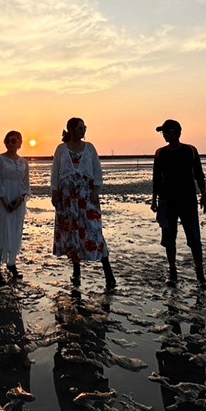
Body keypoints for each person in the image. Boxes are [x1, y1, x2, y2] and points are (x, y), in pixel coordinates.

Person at [51, 117, 116, 290]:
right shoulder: (61, 149)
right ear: (71, 129)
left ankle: (108, 273)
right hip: (67, 198)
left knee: (94, 232)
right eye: (80, 127)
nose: (83, 130)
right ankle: (76, 272)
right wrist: (54, 192)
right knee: (72, 232)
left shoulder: (90, 148)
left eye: (84, 127)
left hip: (87, 197)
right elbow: (55, 171)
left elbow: (97, 170)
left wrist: (96, 190)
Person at [151, 119, 206, 289]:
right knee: (169, 239)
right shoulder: (160, 153)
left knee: (195, 240)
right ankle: (172, 273)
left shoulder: (190, 151)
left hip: (188, 201)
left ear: (176, 132)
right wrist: (154, 200)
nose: (164, 135)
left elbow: (199, 174)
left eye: (166, 132)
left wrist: (203, 196)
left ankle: (200, 276)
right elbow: (156, 178)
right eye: (163, 132)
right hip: (167, 201)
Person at [0, 130, 30, 286]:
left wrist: (19, 201)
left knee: (15, 233)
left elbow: (26, 185)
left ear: (20, 143)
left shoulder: (23, 162)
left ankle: (12, 263)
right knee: (1, 232)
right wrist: (5, 202)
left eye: (14, 141)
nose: (11, 143)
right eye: (9, 141)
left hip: (18, 203)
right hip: (3, 202)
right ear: (5, 142)